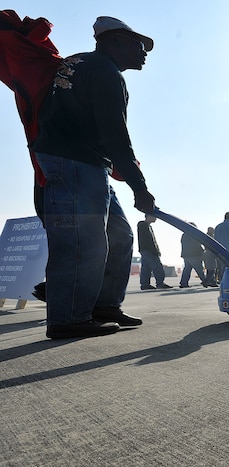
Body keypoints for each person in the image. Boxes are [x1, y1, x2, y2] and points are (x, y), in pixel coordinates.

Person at [29, 16, 155, 338]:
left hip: (86, 163)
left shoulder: (79, 64)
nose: (143, 51)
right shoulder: (104, 71)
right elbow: (115, 134)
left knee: (120, 235)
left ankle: (104, 306)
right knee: (80, 242)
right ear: (112, 41)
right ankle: (68, 318)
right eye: (137, 44)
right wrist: (141, 189)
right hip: (72, 163)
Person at [137, 214, 172, 290]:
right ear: (149, 216)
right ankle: (160, 283)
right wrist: (155, 251)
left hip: (145, 249)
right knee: (157, 266)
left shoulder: (148, 226)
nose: (156, 218)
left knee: (146, 268)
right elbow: (150, 241)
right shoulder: (143, 225)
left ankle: (145, 284)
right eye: (154, 216)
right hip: (148, 250)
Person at [179, 222, 208, 288]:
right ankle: (205, 282)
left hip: (186, 255)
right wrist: (202, 251)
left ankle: (183, 283)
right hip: (194, 255)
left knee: (187, 269)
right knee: (199, 269)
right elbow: (197, 245)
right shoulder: (193, 235)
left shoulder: (184, 235)